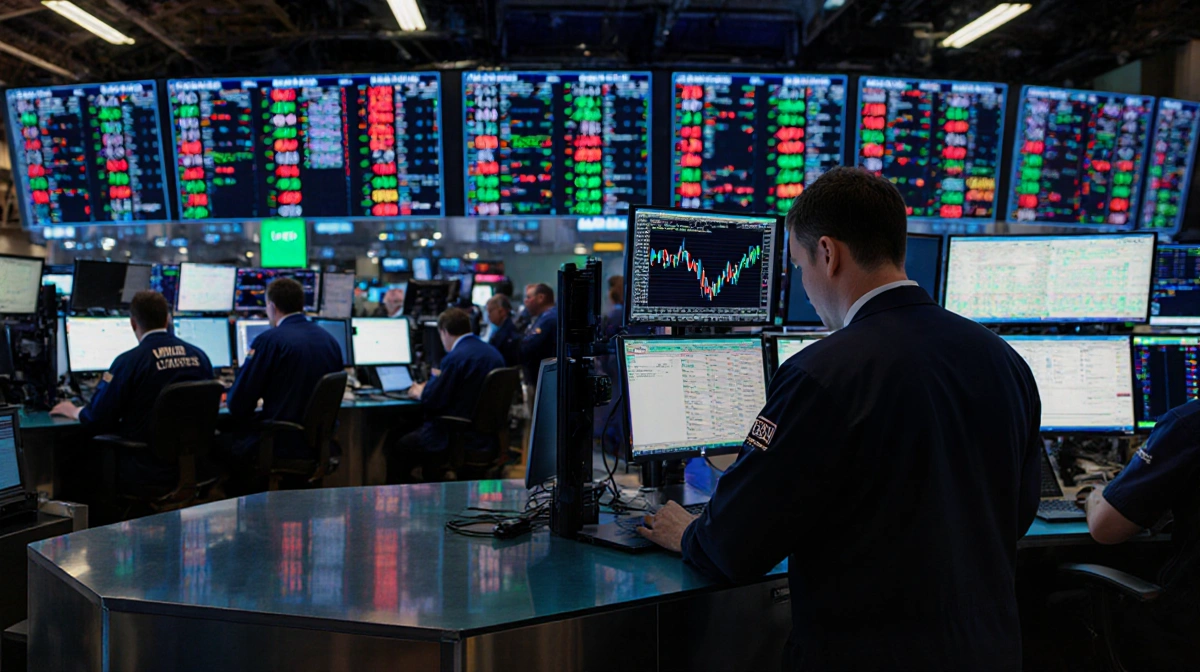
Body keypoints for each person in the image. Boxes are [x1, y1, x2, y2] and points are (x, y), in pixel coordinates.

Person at [635, 167, 1042, 671]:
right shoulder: (1004, 360)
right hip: (990, 653)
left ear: (828, 254)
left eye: (800, 264)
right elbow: (1019, 510)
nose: (805, 288)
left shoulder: (819, 373)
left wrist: (686, 532)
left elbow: (734, 547)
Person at [51, 290, 214, 491]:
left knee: (73, 446)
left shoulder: (129, 362)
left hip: (146, 467)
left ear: (133, 323)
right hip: (195, 465)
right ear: (167, 319)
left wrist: (74, 410)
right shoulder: (200, 356)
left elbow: (97, 418)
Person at [1079, 399, 1200, 667]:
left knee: (1053, 602)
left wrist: (1094, 495)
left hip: (1187, 631)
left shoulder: (1188, 423)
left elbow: (1105, 529)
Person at [225, 278, 344, 462]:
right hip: (317, 444)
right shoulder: (329, 340)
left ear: (272, 307)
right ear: (301, 304)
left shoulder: (269, 341)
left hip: (279, 442)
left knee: (221, 444)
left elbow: (238, 404)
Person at [388, 308, 505, 482]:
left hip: (453, 435)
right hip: (484, 437)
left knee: (396, 443)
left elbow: (433, 400)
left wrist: (421, 391)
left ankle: (401, 503)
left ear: (443, 332)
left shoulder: (455, 357)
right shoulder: (493, 353)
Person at [519, 283, 557, 389]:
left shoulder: (548, 318)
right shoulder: (544, 317)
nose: (526, 301)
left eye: (529, 297)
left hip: (545, 380)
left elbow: (529, 346)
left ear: (541, 298)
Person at [485, 294, 521, 367]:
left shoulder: (509, 334)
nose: (488, 316)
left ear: (502, 312)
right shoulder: (501, 329)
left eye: (490, 311)